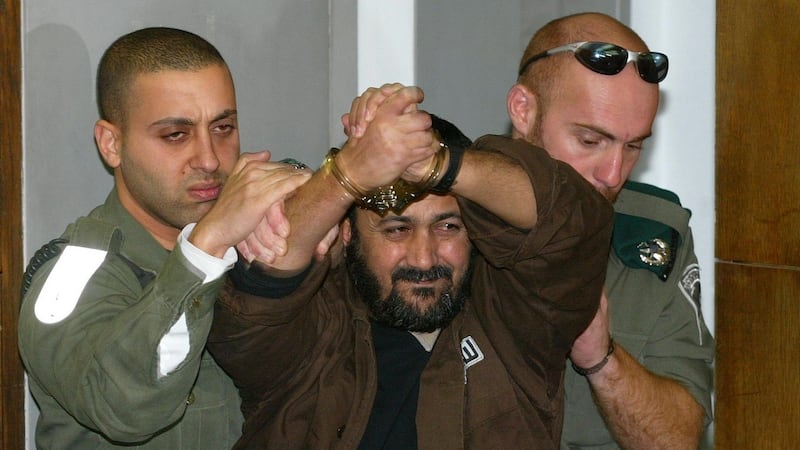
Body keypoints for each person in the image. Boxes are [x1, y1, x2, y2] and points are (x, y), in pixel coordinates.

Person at [207, 86, 614, 449]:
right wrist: (349, 174)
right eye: (397, 229)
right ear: (346, 231)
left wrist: (433, 165)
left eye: (448, 227)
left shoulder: (515, 318)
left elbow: (578, 222)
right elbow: (261, 286)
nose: (424, 258)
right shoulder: (312, 329)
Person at [18, 27, 310, 448]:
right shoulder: (68, 278)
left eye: (223, 127)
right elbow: (125, 407)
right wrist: (205, 248)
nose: (209, 159)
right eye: (176, 135)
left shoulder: (258, 234)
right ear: (111, 144)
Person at [507, 13, 715, 449]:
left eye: (634, 145)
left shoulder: (653, 235)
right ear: (524, 111)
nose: (613, 173)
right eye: (589, 141)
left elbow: (678, 440)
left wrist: (602, 359)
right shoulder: (439, 221)